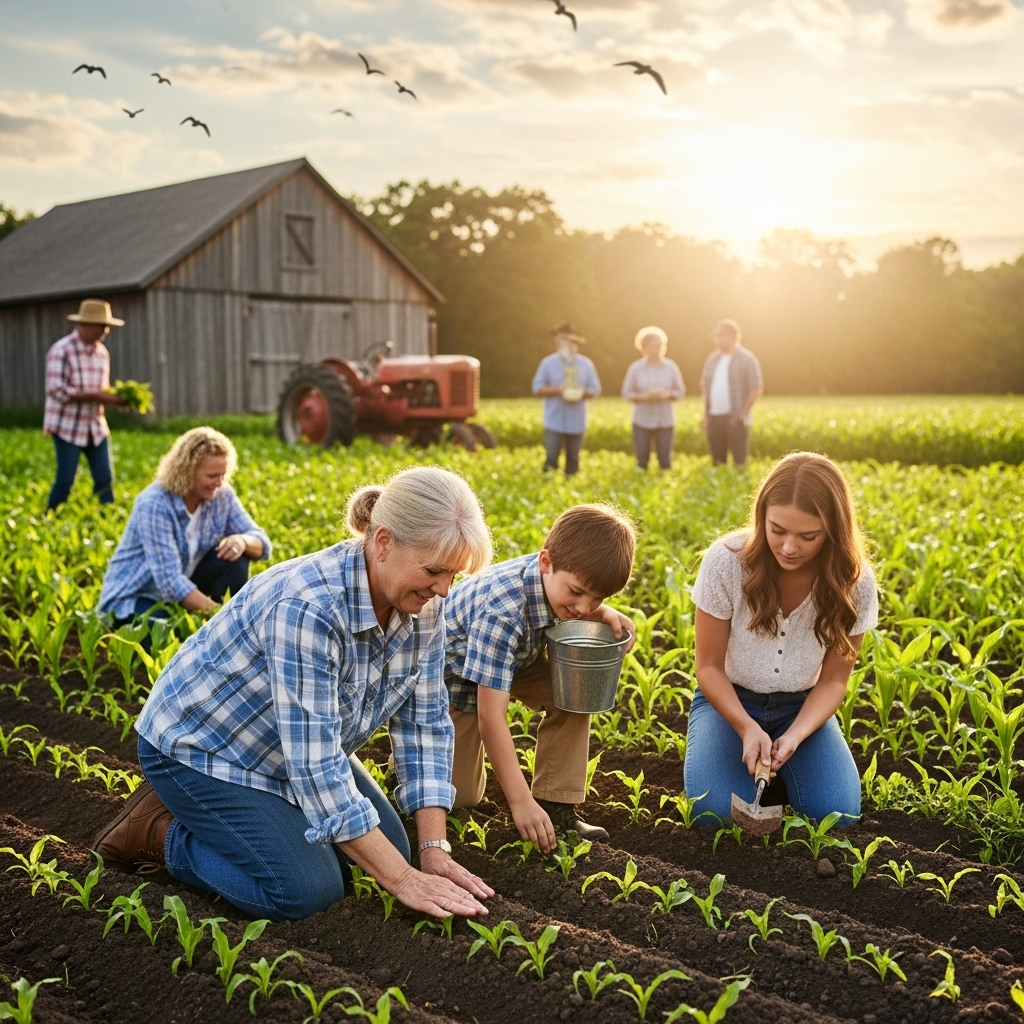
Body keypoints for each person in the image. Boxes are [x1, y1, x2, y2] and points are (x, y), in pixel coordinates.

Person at [92, 466, 496, 923]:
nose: (443, 590)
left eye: (454, 576)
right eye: (434, 571)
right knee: (306, 890)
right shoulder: (309, 608)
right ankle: (162, 834)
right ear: (383, 542)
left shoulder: (425, 607)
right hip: (202, 748)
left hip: (282, 747)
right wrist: (404, 880)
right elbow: (316, 765)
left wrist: (432, 851)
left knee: (394, 845)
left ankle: (249, 824)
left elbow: (425, 726)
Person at [683, 452, 878, 825]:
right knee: (713, 814)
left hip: (801, 707)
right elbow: (707, 667)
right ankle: (746, 763)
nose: (789, 547)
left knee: (837, 817)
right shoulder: (726, 563)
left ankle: (784, 768)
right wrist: (745, 726)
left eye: (808, 536)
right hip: (729, 701)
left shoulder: (857, 584)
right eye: (777, 530)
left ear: (833, 530)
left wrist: (796, 736)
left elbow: (835, 680)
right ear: (761, 517)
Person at [445, 505, 636, 850]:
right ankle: (414, 759)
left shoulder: (557, 581)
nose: (583, 607)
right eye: (577, 592)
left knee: (578, 689)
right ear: (545, 562)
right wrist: (519, 803)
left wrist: (605, 613)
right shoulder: (501, 613)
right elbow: (492, 718)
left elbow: (582, 601)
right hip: (451, 679)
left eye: (597, 597)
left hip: (514, 660)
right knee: (461, 797)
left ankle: (556, 804)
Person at [98, 427, 271, 626]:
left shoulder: (222, 495)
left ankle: (225, 626)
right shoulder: (154, 503)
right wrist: (221, 616)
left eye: (223, 475)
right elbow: (170, 581)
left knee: (236, 556)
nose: (219, 482)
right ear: (187, 471)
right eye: (212, 476)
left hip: (185, 588)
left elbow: (262, 542)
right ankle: (228, 625)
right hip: (137, 595)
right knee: (163, 628)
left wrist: (242, 540)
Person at [44, 298, 130, 510]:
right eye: (102, 326)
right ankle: (49, 517)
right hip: (67, 426)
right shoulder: (62, 350)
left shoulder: (101, 353)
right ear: (86, 325)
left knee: (105, 480)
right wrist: (98, 397)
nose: (106, 331)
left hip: (95, 426)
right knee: (65, 479)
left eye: (107, 326)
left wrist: (117, 399)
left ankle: (106, 519)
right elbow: (56, 390)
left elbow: (103, 389)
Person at [531, 321, 602, 476]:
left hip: (577, 421)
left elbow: (595, 390)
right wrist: (557, 390)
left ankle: (570, 488)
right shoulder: (548, 363)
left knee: (574, 459)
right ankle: (548, 487)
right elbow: (537, 388)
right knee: (551, 458)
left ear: (575, 343)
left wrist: (582, 393)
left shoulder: (586, 364)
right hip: (554, 420)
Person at [699, 319, 763, 469]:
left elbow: (755, 387)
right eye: (716, 336)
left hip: (735, 418)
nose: (717, 340)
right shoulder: (713, 359)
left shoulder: (747, 359)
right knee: (717, 461)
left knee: (739, 461)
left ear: (732, 337)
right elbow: (705, 388)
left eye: (720, 336)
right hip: (714, 416)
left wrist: (744, 413)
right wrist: (705, 415)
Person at [621, 325, 685, 471]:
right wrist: (644, 397)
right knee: (642, 460)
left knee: (665, 460)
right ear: (643, 348)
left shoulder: (671, 367)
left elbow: (680, 391)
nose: (656, 349)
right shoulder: (635, 368)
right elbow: (626, 393)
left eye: (659, 346)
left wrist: (668, 394)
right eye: (652, 346)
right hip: (642, 421)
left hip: (665, 420)